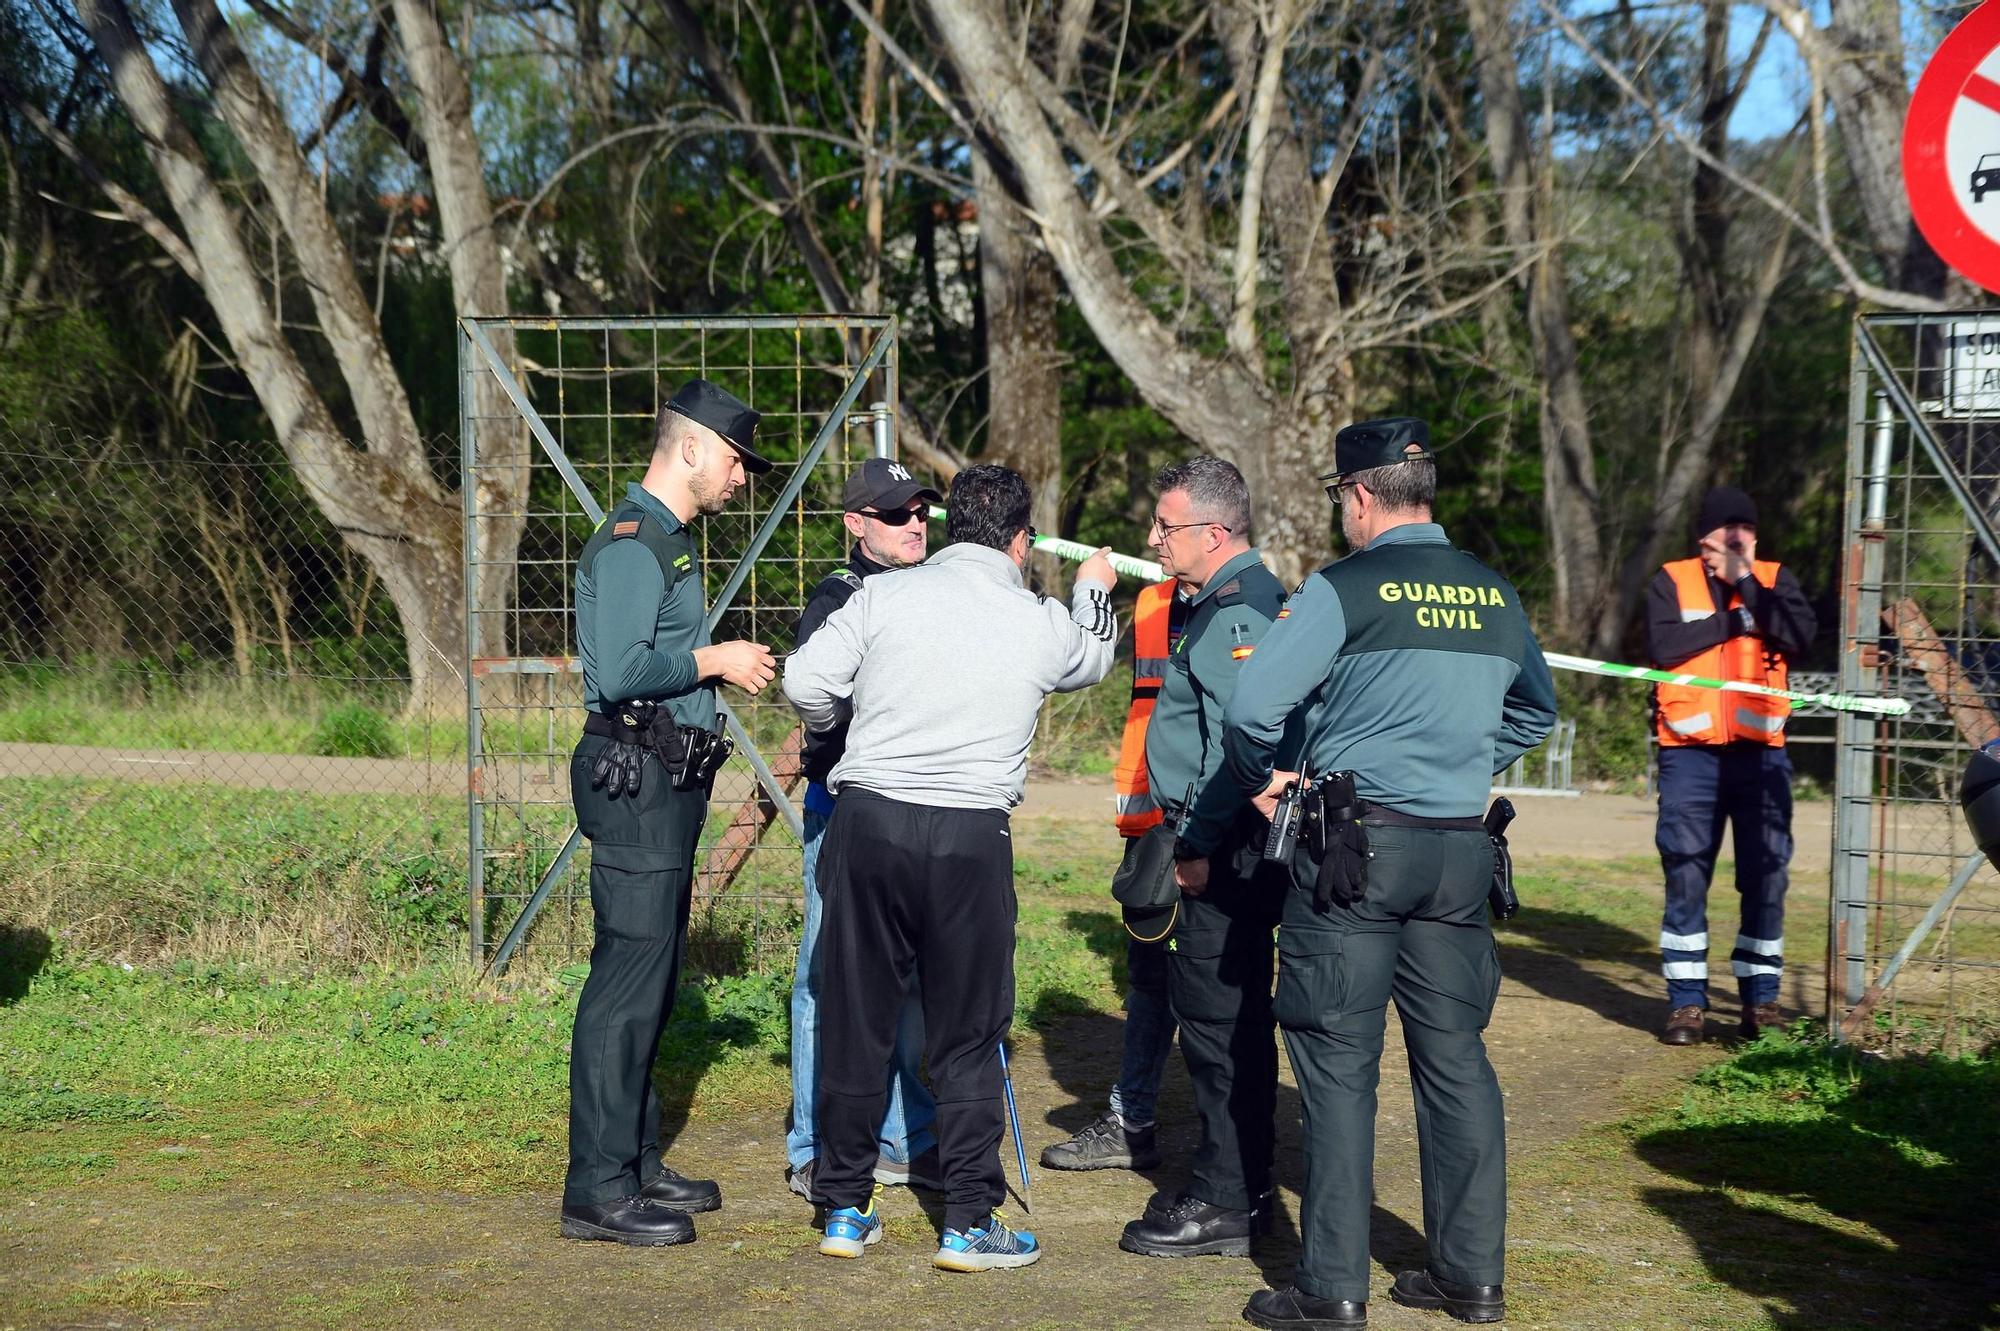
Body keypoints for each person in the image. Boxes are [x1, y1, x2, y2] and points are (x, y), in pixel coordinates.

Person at [1215, 418, 1556, 1329]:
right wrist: (1464, 756)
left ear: (1359, 495)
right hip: (1460, 848)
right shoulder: (1492, 591)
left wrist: (1266, 780)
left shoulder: (1342, 587)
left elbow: (1252, 708)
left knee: (1335, 1064)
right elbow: (1537, 711)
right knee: (1456, 1062)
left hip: (1351, 849)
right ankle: (1469, 1276)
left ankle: (1330, 1286)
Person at [782, 464, 1118, 1271]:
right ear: (1020, 540)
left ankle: (842, 1205)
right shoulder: (1037, 617)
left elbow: (802, 681)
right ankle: (967, 1219)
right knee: (968, 1033)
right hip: (970, 834)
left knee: (856, 1019)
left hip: (869, 822)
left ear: (950, 523)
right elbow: (1098, 657)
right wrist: (1094, 587)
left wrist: (840, 729)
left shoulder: (882, 596)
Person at [559, 379, 778, 1247]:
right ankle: (596, 1187)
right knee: (624, 985)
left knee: (650, 981)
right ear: (689, 448)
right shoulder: (631, 543)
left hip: (662, 782)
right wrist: (714, 657)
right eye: (734, 460)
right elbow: (618, 672)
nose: (741, 477)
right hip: (633, 785)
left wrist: (704, 666)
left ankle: (638, 1160)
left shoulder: (670, 542)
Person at [1114, 457, 1293, 1260]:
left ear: (1213, 533)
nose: (1155, 538)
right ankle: (1243, 1181)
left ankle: (1224, 1198)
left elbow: (1238, 746)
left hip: (1221, 851)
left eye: (1166, 525)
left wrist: (1196, 846)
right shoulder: (1230, 600)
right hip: (1226, 843)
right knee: (1233, 1020)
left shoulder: (1239, 611)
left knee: (1220, 1027)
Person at [786, 457, 945, 1200]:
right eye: (895, 514)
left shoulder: (941, 592)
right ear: (856, 524)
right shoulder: (837, 600)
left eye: (921, 512)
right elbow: (817, 697)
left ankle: (904, 1136)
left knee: (914, 978)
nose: (914, 524)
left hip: (921, 811)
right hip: (845, 810)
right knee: (825, 977)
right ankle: (813, 1145)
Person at [1647, 485, 1815, 1046]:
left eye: (1748, 529)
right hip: (1688, 755)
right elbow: (1665, 647)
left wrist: (1746, 583)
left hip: (1760, 757)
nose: (1739, 538)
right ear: (1705, 538)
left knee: (1766, 877)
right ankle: (1687, 1005)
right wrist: (1739, 623)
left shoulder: (1773, 578)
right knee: (1686, 873)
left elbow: (1799, 635)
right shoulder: (1673, 580)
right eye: (1728, 530)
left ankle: (1760, 1005)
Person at [1039, 577, 1187, 1175]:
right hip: (1150, 824)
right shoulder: (1154, 603)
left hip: (1217, 828)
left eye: (1165, 525)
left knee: (1223, 988)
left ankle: (1235, 1141)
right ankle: (1133, 1120)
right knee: (1150, 977)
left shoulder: (1256, 604)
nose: (1153, 537)